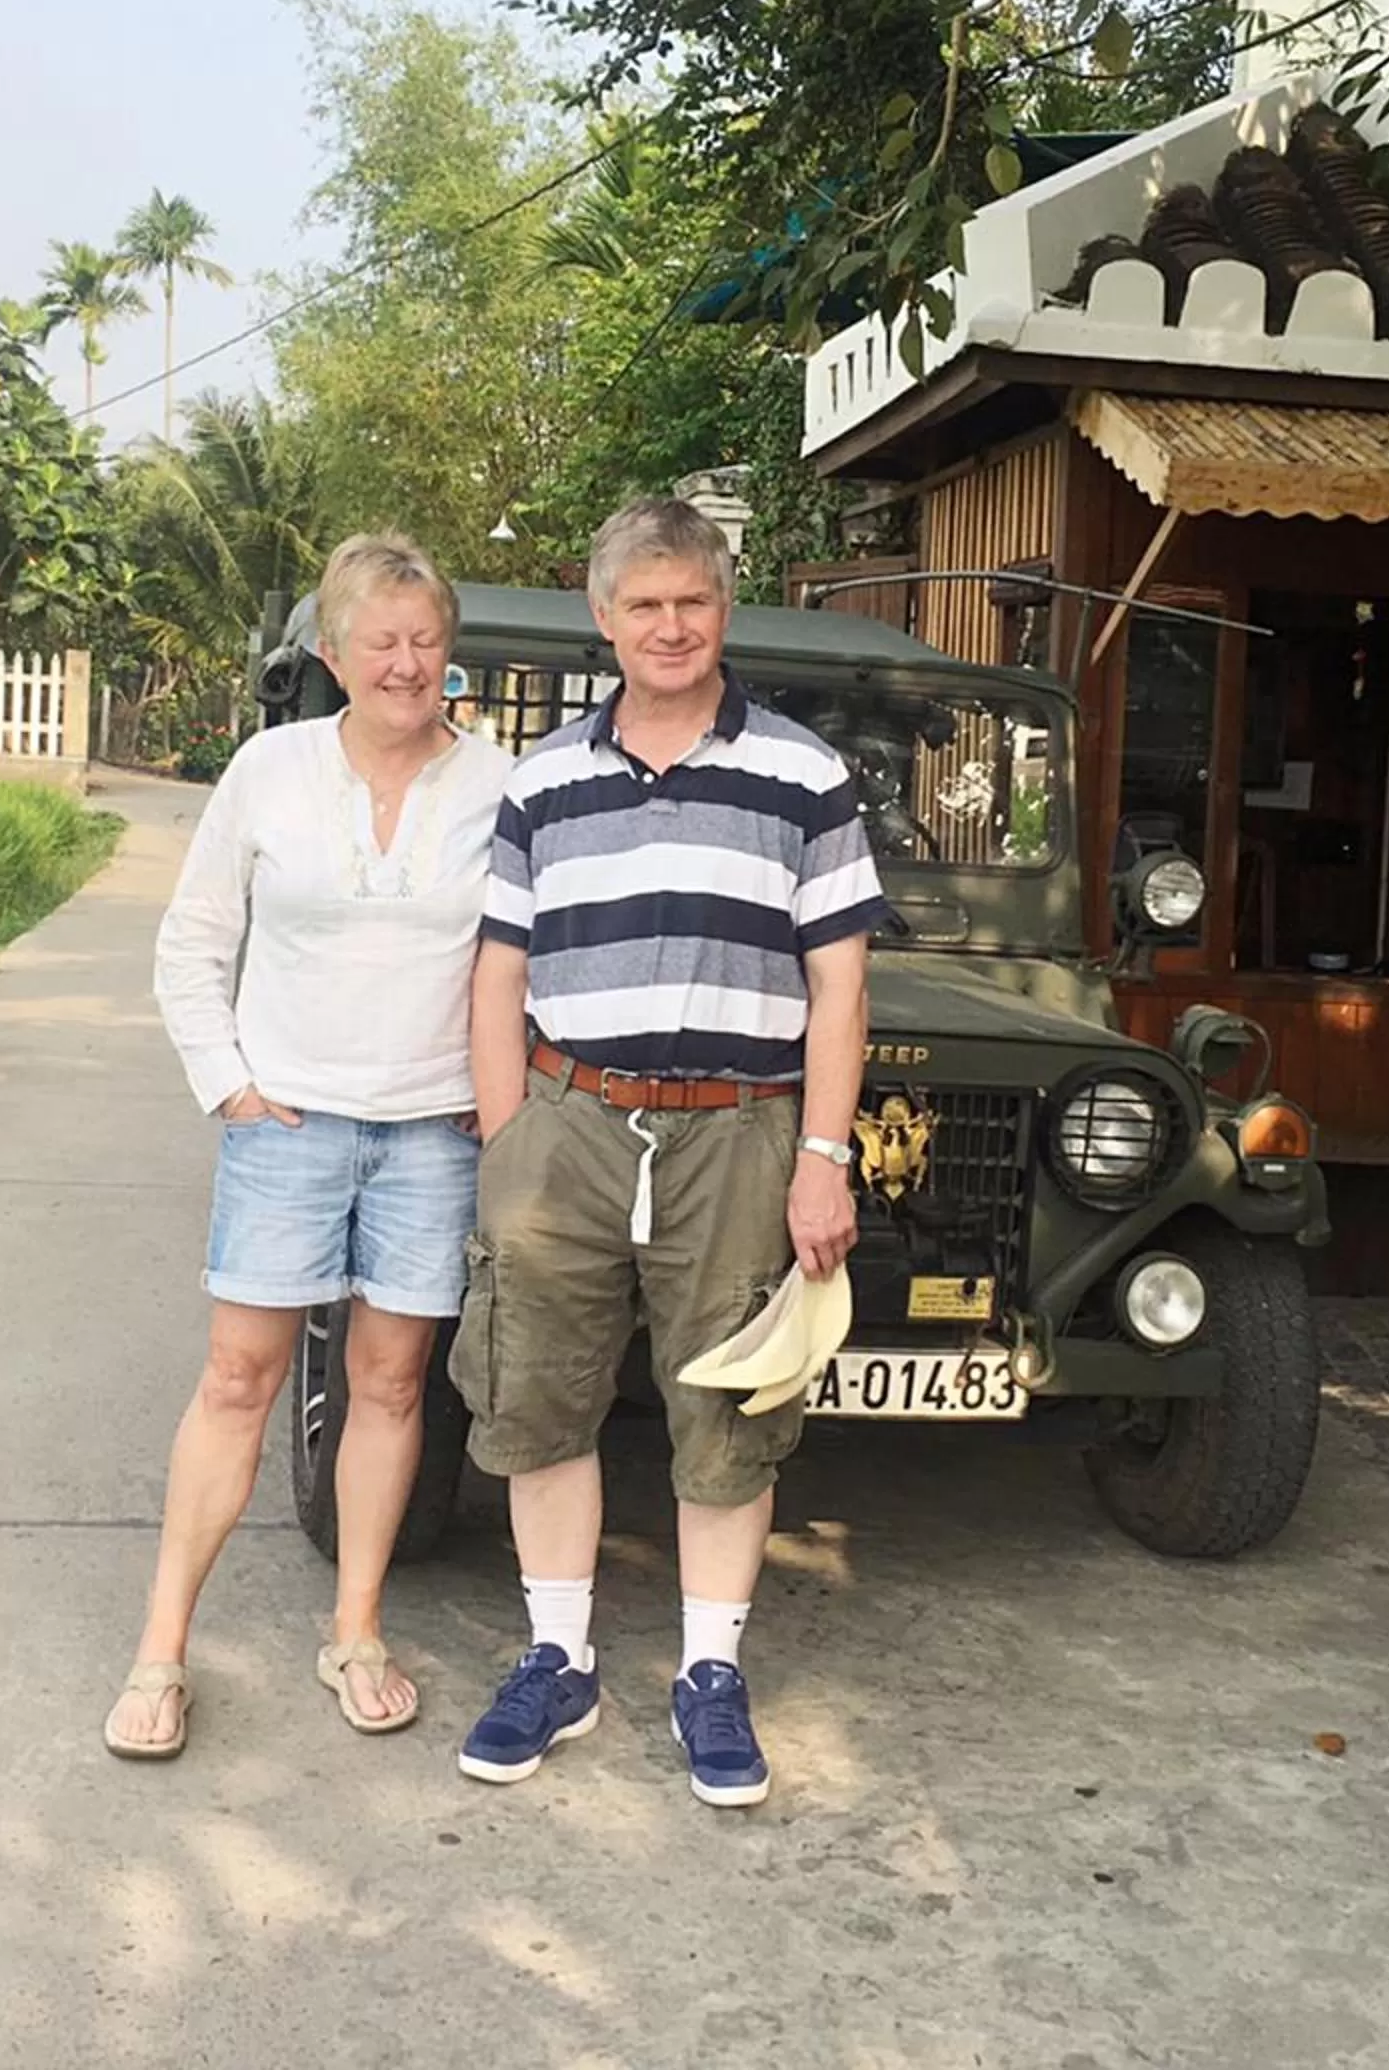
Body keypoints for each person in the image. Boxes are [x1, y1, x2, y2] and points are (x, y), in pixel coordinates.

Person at [454, 497, 887, 1808]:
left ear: (724, 607)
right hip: (567, 1124)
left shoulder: (805, 776)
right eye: (642, 605)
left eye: (690, 601)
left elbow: (842, 990)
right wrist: (507, 1137)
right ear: (604, 619)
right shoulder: (543, 782)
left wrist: (823, 1153)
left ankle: (710, 1670)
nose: (669, 626)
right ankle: (558, 1653)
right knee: (539, 1393)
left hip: (738, 1132)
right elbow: (497, 973)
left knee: (729, 1405)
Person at [110, 533, 512, 1760]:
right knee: (239, 1381)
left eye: (425, 640)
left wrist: (488, 1099)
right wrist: (228, 1087)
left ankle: (356, 1632)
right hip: (286, 1126)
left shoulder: (497, 786)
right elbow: (193, 943)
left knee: (392, 1387)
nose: (405, 663)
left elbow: (526, 959)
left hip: (429, 1136)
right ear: (332, 654)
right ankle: (160, 1656)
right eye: (379, 641)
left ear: (451, 655)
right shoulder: (269, 772)